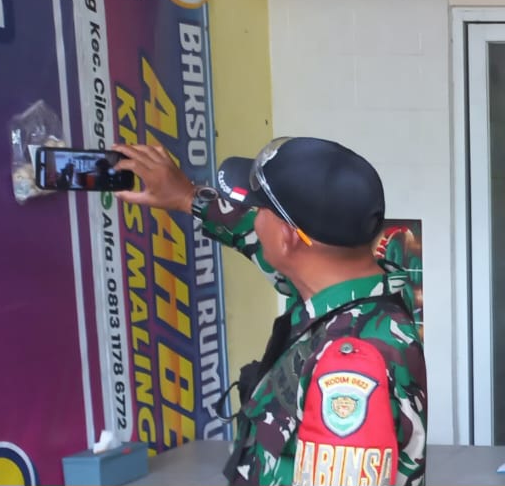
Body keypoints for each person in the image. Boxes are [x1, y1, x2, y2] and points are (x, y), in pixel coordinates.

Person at [112, 137, 427, 486]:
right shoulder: (356, 286)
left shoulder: (348, 364)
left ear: (288, 238)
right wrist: (188, 197)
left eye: (259, 209)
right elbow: (254, 234)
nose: (253, 218)